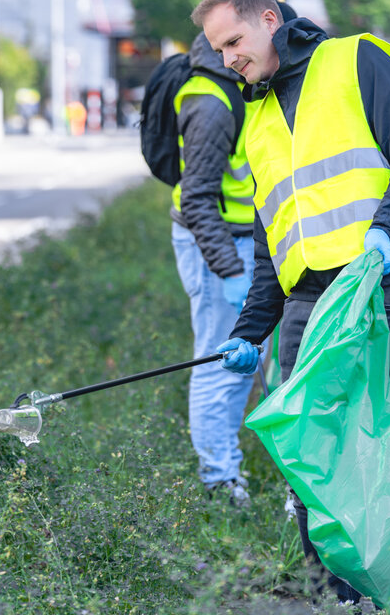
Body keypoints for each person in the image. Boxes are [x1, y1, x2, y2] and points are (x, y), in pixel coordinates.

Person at [193, 0, 390, 606]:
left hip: (386, 281)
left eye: (233, 42)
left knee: (385, 451)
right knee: (309, 459)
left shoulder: (357, 59)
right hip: (309, 301)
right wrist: (248, 333)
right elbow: (270, 244)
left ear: (269, 20)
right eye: (218, 50)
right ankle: (338, 600)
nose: (228, 59)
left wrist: (384, 230)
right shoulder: (254, 119)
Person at [168, 30, 260, 503]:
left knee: (239, 365)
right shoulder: (211, 101)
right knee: (218, 361)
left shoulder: (238, 86)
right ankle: (219, 481)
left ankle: (228, 471)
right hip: (217, 245)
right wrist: (230, 271)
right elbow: (197, 198)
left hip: (243, 241)